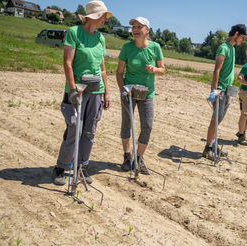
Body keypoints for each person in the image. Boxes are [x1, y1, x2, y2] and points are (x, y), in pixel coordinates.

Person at [53, 0, 112, 185]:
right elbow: (67, 63)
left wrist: (107, 93)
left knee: (89, 131)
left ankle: (81, 166)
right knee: (74, 129)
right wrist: (72, 89)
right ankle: (61, 168)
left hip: (96, 91)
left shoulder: (100, 38)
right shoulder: (74, 32)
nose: (105, 20)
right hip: (77, 90)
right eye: (103, 16)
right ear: (93, 16)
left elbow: (102, 68)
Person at [116, 17, 165, 175]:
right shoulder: (127, 48)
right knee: (126, 125)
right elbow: (119, 72)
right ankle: (126, 157)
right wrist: (123, 89)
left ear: (147, 30)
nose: (135, 30)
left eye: (139, 27)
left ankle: (139, 158)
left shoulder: (155, 47)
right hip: (129, 92)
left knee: (147, 126)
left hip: (147, 93)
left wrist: (154, 70)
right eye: (133, 27)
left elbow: (162, 69)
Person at [202, 24, 247, 159]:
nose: (243, 40)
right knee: (215, 120)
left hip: (228, 90)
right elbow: (216, 70)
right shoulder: (223, 48)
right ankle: (208, 149)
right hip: (220, 89)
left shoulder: (232, 49)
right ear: (236, 34)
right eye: (242, 37)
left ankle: (214, 146)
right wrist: (214, 90)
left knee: (219, 119)